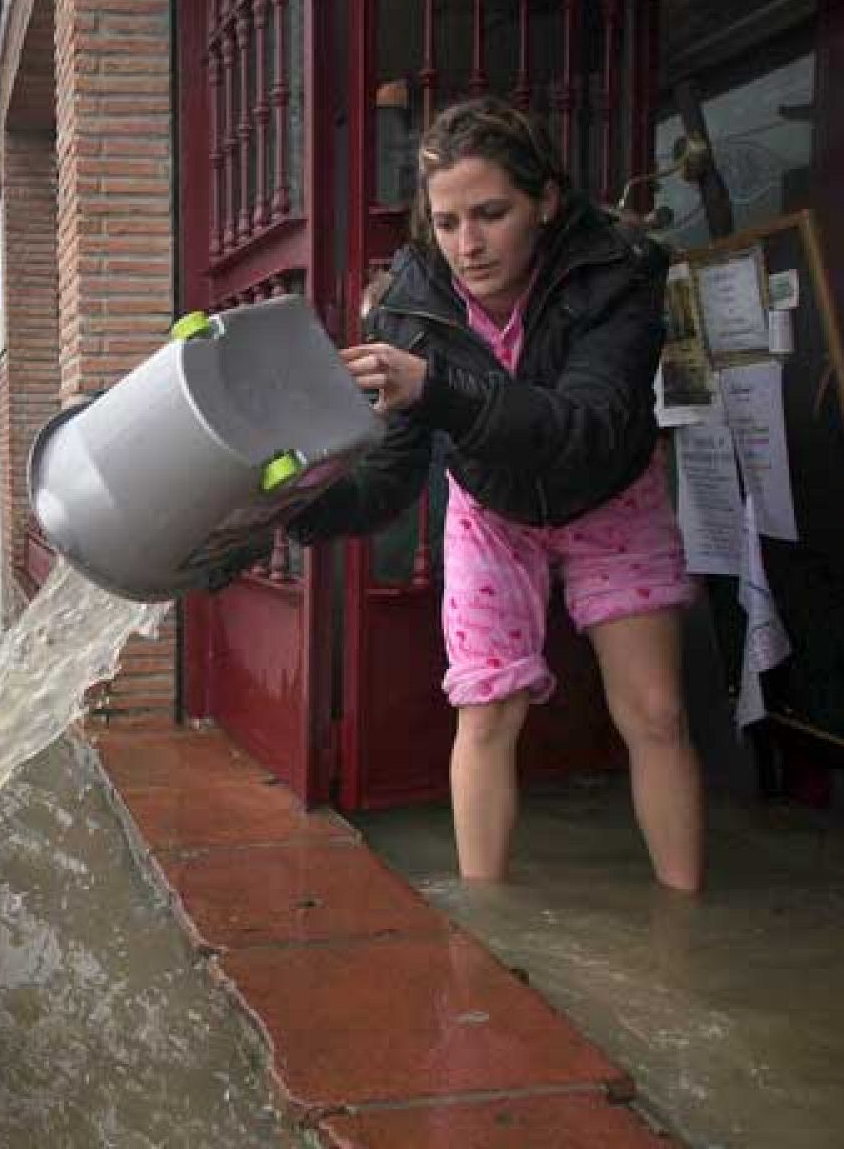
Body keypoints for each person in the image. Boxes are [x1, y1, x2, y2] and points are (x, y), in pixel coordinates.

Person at [289, 96, 703, 892]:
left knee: (655, 714)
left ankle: (685, 920)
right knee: (486, 712)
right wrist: (287, 513)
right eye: (446, 223)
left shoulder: (617, 269)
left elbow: (589, 423)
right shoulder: (414, 299)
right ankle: (482, 928)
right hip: (491, 508)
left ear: (544, 201)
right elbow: (392, 477)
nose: (467, 245)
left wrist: (437, 389)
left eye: (491, 214)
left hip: (610, 495)